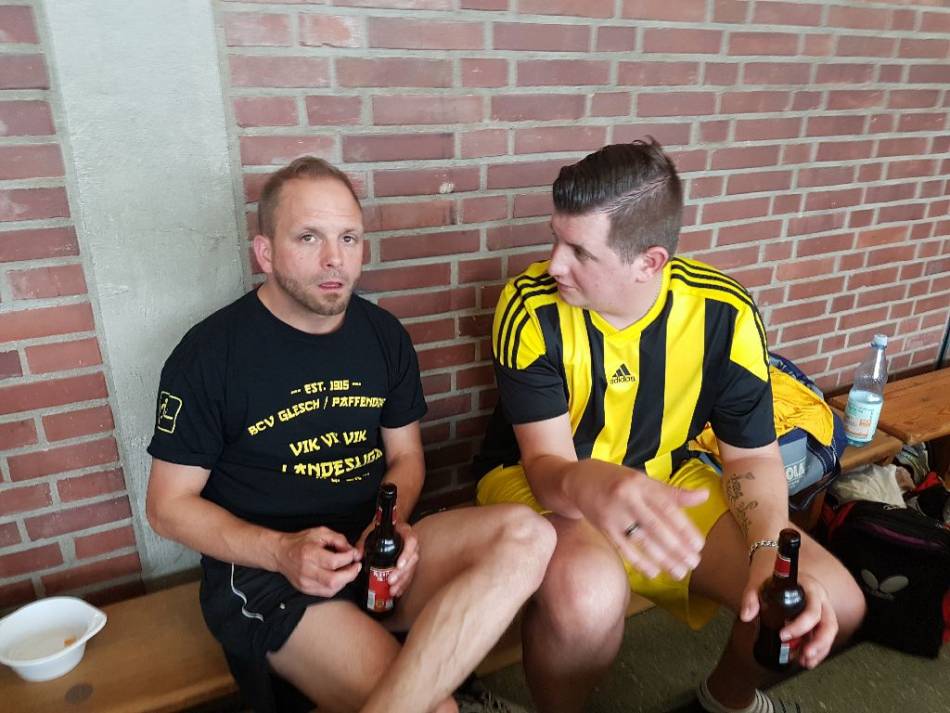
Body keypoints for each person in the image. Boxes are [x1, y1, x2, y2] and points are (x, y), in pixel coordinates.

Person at [146, 156, 556, 713]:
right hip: (270, 574)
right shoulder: (209, 355)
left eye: (348, 238)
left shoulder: (383, 335)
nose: (334, 259)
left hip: (372, 549)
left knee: (530, 536)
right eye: (308, 237)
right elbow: (167, 507)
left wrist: (392, 524)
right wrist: (281, 551)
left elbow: (406, 458)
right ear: (265, 252)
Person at [474, 140, 866, 713]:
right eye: (556, 238)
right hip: (543, 482)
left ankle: (724, 701)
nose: (554, 264)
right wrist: (600, 482)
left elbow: (751, 458)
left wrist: (765, 545)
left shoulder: (724, 312)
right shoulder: (529, 306)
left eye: (579, 251)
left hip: (664, 477)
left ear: (649, 262)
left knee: (832, 599)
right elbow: (543, 467)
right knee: (588, 592)